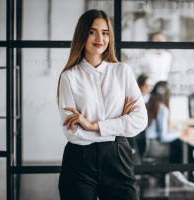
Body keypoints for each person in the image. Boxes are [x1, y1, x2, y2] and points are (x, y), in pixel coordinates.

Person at [57, 10, 147, 200]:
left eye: (105, 32)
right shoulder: (69, 77)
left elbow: (140, 120)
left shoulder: (123, 72)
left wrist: (92, 125)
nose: (100, 38)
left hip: (118, 158)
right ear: (82, 35)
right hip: (79, 162)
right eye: (92, 31)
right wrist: (119, 124)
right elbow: (72, 133)